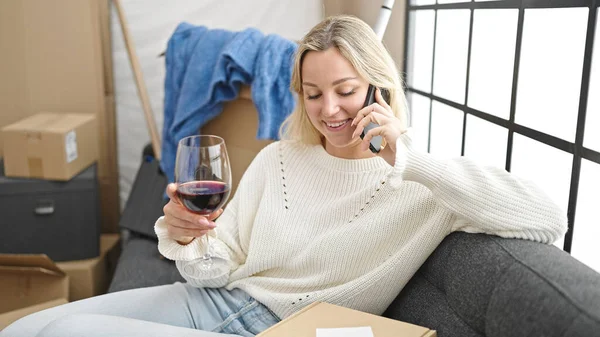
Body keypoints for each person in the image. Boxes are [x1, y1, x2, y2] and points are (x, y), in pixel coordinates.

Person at [1, 14, 567, 337]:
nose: (329, 110)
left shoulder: (423, 185)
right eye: (313, 93)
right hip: (213, 303)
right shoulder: (280, 158)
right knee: (27, 331)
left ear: (377, 87)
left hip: (271, 333)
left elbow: (547, 216)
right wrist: (185, 235)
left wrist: (406, 157)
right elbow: (215, 268)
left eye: (344, 91)